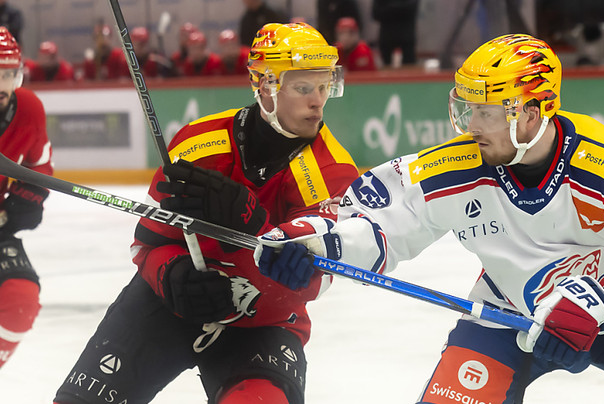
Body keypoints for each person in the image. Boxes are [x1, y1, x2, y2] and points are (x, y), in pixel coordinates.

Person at [255, 33, 604, 403]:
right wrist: (313, 241)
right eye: (467, 110)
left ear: (533, 112)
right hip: (508, 307)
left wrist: (602, 306)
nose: (472, 126)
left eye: (486, 112)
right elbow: (380, 219)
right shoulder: (458, 164)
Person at [52, 22, 359, 404]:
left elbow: (312, 281)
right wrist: (171, 275)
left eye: (325, 86)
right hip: (167, 305)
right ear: (265, 85)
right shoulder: (200, 143)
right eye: (303, 88)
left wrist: (254, 224)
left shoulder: (333, 172)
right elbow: (148, 243)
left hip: (261, 322)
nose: (318, 102)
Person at [0, 27, 53, 369]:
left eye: (8, 74)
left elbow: (39, 166)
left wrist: (27, 198)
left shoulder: (28, 108)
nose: (2, 86)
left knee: (20, 300)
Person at [372, 0, 419, 67]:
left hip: (406, 38)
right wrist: (400, 8)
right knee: (386, 69)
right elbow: (376, 13)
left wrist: (389, 8)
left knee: (409, 68)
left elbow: (411, 9)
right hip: (386, 38)